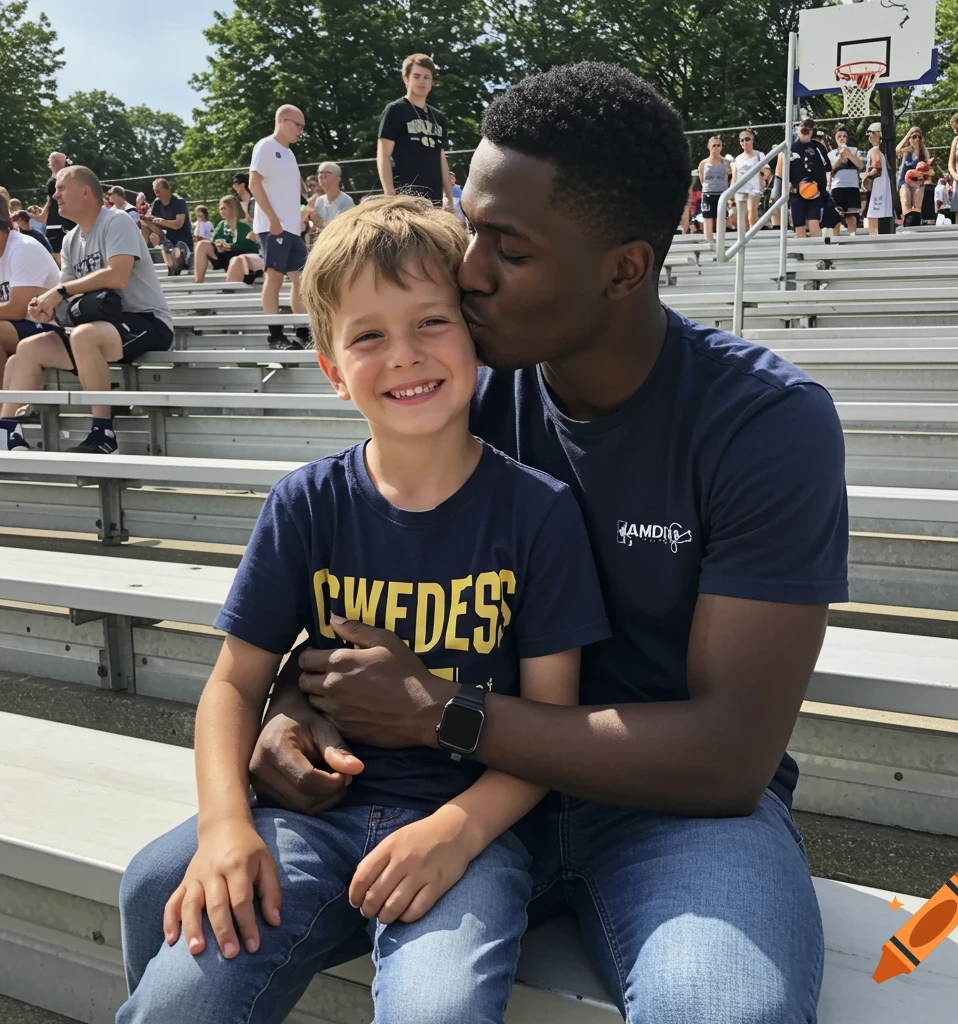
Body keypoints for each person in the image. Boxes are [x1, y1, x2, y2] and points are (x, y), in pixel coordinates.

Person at [123, 62, 847, 1023]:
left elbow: (727, 757)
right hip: (435, 785)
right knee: (158, 889)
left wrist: (438, 713)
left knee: (726, 1011)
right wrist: (296, 703)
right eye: (471, 226)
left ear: (623, 268)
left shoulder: (763, 422)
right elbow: (352, 574)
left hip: (663, 811)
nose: (466, 271)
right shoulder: (465, 380)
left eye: (506, 246)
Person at [116, 194, 609, 1022]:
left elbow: (551, 726)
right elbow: (235, 684)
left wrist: (454, 830)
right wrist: (226, 826)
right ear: (334, 369)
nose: (406, 355)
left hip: (467, 832)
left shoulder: (540, 511)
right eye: (370, 335)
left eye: (431, 323)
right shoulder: (306, 504)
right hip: (316, 820)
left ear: (475, 340)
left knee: (438, 1010)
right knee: (177, 989)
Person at [0, 165, 173, 456]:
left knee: (83, 336)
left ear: (85, 191)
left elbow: (117, 276)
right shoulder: (70, 239)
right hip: (97, 325)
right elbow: (65, 294)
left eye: (61, 188)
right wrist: (49, 310)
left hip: (145, 320)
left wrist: (60, 292)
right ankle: (7, 430)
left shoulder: (116, 221)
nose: (54, 195)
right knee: (28, 348)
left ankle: (103, 433)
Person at [249, 105, 310, 350]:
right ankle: (275, 335)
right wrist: (272, 219)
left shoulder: (289, 154)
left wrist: (302, 214)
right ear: (283, 121)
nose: (301, 132)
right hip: (274, 226)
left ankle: (303, 331)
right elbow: (254, 183)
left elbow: (291, 191)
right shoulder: (266, 146)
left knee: (301, 279)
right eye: (298, 126)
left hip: (292, 228)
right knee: (274, 277)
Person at [377, 53, 456, 213]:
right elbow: (383, 155)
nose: (422, 81)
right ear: (406, 79)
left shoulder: (438, 117)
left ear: (432, 81)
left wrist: (448, 197)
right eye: (417, 76)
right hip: (404, 199)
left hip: (434, 200)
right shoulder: (395, 110)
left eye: (427, 77)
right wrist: (390, 195)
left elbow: (440, 156)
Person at [0, 193, 61, 396]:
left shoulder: (22, 249)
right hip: (19, 329)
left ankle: (4, 413)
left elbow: (17, 310)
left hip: (51, 328)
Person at [779, 118, 830, 238]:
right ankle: (801, 251)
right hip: (797, 192)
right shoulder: (789, 148)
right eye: (803, 127)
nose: (805, 130)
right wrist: (787, 182)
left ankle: (817, 252)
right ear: (798, 129)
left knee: (814, 223)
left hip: (815, 192)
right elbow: (781, 170)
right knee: (799, 225)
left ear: (812, 131)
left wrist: (823, 188)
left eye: (809, 128)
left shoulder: (817, 147)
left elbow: (827, 167)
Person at [192, 196, 261, 284]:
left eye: (224, 208)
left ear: (233, 208)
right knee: (201, 245)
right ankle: (198, 281)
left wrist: (230, 246)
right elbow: (213, 240)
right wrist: (218, 244)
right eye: (220, 209)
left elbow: (250, 244)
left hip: (242, 256)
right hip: (225, 256)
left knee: (237, 259)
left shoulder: (244, 224)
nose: (221, 211)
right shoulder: (221, 224)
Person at [138, 178, 194, 277]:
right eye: (155, 191)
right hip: (167, 238)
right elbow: (152, 220)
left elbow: (178, 225)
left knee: (176, 255)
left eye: (158, 190)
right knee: (144, 221)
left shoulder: (179, 201)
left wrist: (162, 221)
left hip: (183, 239)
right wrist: (144, 218)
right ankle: (144, 249)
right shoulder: (157, 203)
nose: (156, 193)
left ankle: (179, 265)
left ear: (167, 189)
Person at [827, 124, 865, 236]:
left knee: (851, 215)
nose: (842, 138)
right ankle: (836, 240)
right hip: (837, 187)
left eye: (844, 136)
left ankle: (852, 236)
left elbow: (860, 165)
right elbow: (831, 169)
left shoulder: (854, 150)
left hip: (852, 187)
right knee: (836, 216)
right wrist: (840, 158)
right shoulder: (831, 154)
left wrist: (849, 154)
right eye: (839, 136)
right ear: (835, 138)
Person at [731, 129, 769, 229]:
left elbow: (767, 171)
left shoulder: (759, 155)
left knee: (752, 215)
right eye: (742, 140)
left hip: (753, 189)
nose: (744, 142)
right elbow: (734, 177)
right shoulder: (738, 158)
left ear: (752, 140)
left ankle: (754, 237)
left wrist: (763, 179)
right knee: (742, 219)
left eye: (747, 139)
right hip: (740, 190)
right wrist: (731, 192)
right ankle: (744, 241)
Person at [41, 152, 75, 261]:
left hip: (63, 223)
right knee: (58, 256)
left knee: (61, 256)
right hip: (57, 223)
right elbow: (50, 200)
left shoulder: (65, 178)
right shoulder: (54, 179)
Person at [697, 135, 731, 243]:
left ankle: (721, 241)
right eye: (714, 145)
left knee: (721, 218)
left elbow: (727, 177)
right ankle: (709, 241)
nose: (716, 148)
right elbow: (702, 179)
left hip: (721, 193)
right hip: (708, 192)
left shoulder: (726, 162)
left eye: (718, 145)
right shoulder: (703, 163)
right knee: (707, 217)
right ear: (709, 147)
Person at [863, 122, 893, 234]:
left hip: (877, 188)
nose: (870, 135)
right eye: (869, 133)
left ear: (879, 134)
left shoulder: (874, 150)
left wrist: (865, 176)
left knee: (873, 219)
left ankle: (874, 244)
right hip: (884, 188)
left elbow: (876, 169)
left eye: (872, 132)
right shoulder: (884, 151)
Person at [308, 161, 355, 230]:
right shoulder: (319, 200)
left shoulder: (346, 201)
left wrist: (320, 221)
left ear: (338, 178)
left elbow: (344, 229)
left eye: (327, 172)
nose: (321, 176)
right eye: (319, 173)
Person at [899, 163, 930, 227]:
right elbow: (907, 209)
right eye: (921, 179)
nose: (922, 181)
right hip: (910, 217)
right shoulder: (905, 188)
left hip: (918, 216)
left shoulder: (922, 187)